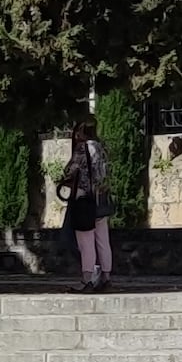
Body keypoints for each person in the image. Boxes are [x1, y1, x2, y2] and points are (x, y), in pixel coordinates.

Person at [62, 115, 115, 287]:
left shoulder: (81, 149)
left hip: (84, 199)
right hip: (101, 199)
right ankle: (106, 277)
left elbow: (69, 170)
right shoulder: (103, 147)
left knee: (86, 241)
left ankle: (87, 279)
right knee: (103, 240)